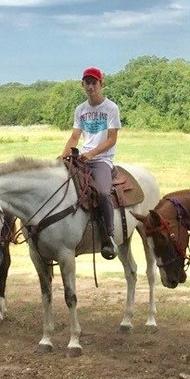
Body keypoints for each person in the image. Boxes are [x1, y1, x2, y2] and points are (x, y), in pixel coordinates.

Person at [60, 67, 121, 259]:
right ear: (83, 84)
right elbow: (74, 137)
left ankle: (109, 236)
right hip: (82, 158)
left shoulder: (111, 108)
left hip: (102, 160)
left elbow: (112, 139)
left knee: (102, 192)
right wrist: (61, 158)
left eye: (94, 82)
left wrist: (92, 154)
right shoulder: (80, 109)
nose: (91, 86)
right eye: (87, 82)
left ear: (101, 84)